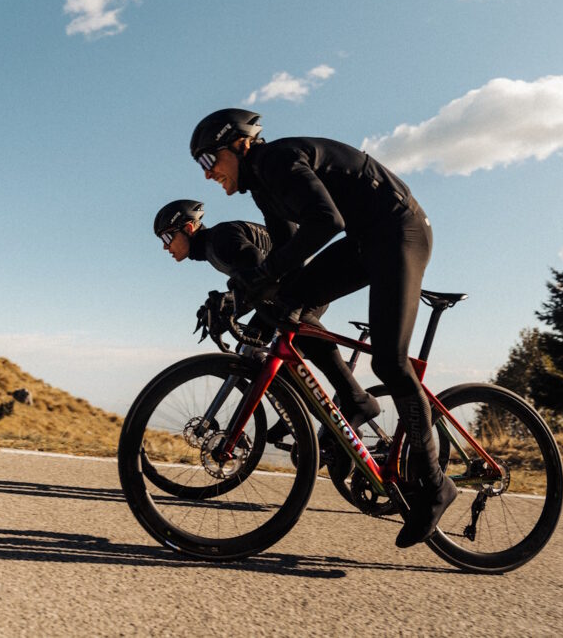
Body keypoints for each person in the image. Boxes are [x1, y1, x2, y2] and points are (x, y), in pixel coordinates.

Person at [189, 108, 456, 549]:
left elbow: (325, 222)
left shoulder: (275, 160)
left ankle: (434, 484)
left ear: (237, 144)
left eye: (208, 160)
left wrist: (264, 277)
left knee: (390, 361)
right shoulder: (263, 187)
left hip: (399, 230)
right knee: (290, 301)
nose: (207, 174)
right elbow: (287, 257)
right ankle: (353, 399)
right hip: (364, 240)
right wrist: (239, 296)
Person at [152, 199, 380, 453]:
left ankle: (353, 399)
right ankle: (297, 411)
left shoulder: (219, 240)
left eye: (168, 237)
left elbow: (255, 265)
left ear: (189, 228)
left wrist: (230, 302)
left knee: (290, 329)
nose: (166, 247)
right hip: (281, 290)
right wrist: (227, 306)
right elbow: (252, 280)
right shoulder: (213, 246)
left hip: (297, 288)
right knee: (253, 350)